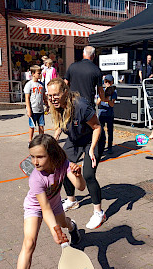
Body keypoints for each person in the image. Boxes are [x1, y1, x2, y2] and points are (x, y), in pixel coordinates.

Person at [10, 134, 85, 269]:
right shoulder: (36, 178)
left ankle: (72, 226)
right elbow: (44, 209)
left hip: (56, 204)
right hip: (35, 207)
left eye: (40, 157)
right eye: (32, 156)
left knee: (64, 223)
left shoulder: (63, 164)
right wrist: (55, 232)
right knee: (29, 242)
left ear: (51, 154)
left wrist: (78, 175)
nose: (35, 162)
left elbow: (80, 188)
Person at [47, 78, 106, 230]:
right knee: (61, 164)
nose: (52, 98)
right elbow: (61, 123)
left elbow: (97, 127)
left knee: (88, 174)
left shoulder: (81, 106)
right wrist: (55, 138)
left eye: (56, 95)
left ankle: (99, 212)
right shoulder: (57, 106)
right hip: (75, 138)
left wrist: (92, 149)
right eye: (50, 95)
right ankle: (72, 200)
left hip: (93, 139)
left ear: (65, 92)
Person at [24, 65, 47, 143]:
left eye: (40, 73)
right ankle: (30, 140)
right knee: (32, 126)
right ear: (33, 74)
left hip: (40, 109)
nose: (40, 75)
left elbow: (43, 96)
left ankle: (41, 140)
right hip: (33, 109)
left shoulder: (41, 84)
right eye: (38, 73)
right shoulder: (29, 84)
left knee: (41, 126)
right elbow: (27, 98)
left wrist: (47, 104)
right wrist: (28, 110)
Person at [96, 74, 117, 154]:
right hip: (102, 114)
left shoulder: (114, 92)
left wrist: (108, 99)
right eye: (106, 81)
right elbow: (97, 103)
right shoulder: (101, 90)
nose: (107, 83)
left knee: (110, 131)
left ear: (112, 82)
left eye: (109, 82)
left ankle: (110, 147)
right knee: (100, 131)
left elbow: (112, 105)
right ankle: (100, 146)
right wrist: (102, 97)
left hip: (109, 114)